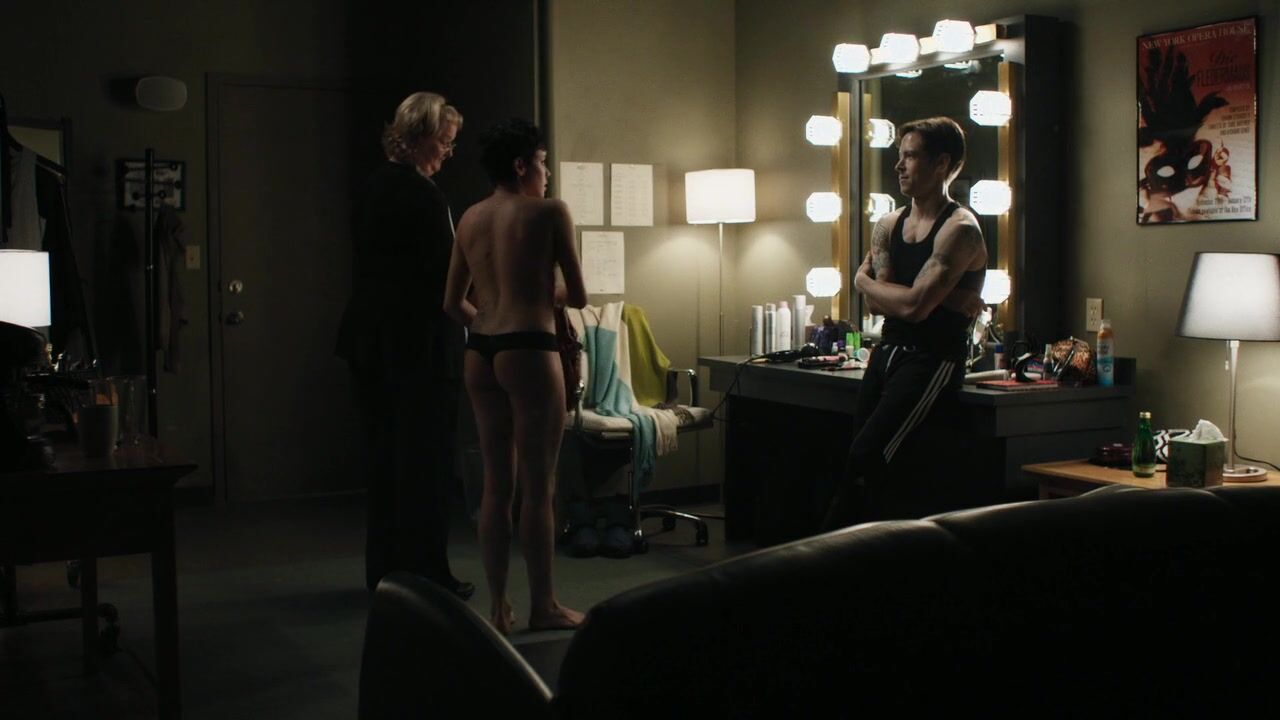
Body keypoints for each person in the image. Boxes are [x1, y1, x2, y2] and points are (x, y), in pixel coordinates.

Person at [443, 119, 587, 634]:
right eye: (543, 163)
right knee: (539, 487)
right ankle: (543, 605)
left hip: (481, 350)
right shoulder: (550, 212)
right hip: (529, 348)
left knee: (495, 486)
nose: (547, 175)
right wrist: (542, 298)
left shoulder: (470, 217)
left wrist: (490, 321)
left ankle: (499, 607)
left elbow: (452, 302)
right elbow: (579, 294)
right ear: (522, 165)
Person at [335, 91, 473, 599]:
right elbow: (443, 278)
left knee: (385, 463)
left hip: (370, 341)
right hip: (418, 347)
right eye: (444, 141)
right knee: (427, 463)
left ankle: (385, 571)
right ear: (418, 138)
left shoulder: (372, 186)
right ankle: (427, 573)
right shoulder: (423, 196)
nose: (448, 152)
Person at [822, 116, 987, 530]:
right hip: (886, 354)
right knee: (857, 459)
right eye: (899, 156)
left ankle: (827, 550)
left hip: (932, 360)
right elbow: (880, 303)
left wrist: (865, 281)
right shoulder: (888, 224)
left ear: (941, 164)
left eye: (910, 156)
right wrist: (947, 297)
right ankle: (849, 551)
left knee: (868, 456)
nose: (898, 166)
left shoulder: (960, 230)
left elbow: (911, 307)